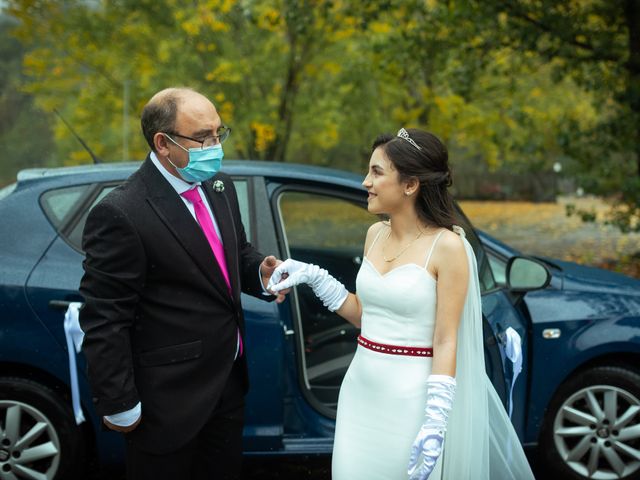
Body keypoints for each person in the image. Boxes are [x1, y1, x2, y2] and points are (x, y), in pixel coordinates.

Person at [268, 128, 535, 479]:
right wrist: (314, 276)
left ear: (410, 185)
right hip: (360, 392)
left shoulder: (448, 247)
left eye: (377, 173)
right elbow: (365, 315)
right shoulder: (374, 234)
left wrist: (436, 422)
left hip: (411, 402)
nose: (366, 182)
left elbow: (446, 339)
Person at [79, 87, 286, 480]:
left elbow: (231, 254)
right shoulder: (122, 212)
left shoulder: (219, 187)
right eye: (203, 138)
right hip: (166, 401)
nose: (215, 146)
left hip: (226, 382)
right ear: (163, 143)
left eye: (218, 134)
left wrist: (259, 271)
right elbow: (105, 317)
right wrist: (118, 402)